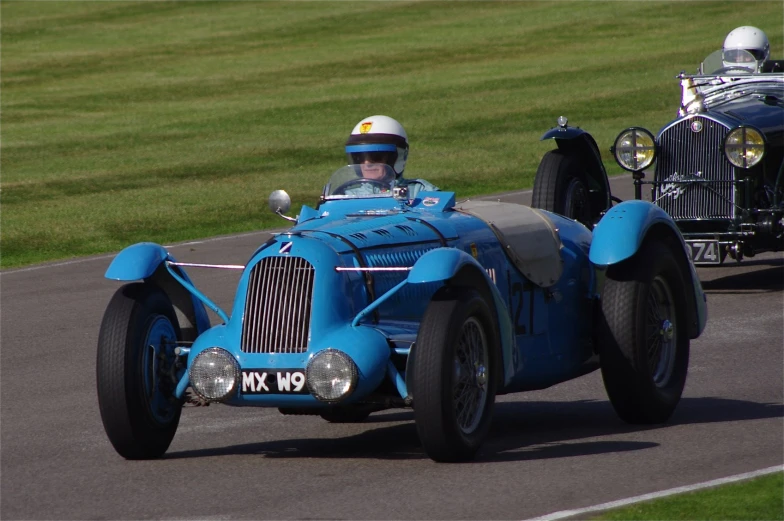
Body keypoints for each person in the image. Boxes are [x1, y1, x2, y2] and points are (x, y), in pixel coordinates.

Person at [344, 115, 438, 199]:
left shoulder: (421, 193)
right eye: (359, 157)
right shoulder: (345, 196)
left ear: (397, 158)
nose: (367, 163)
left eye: (375, 156)